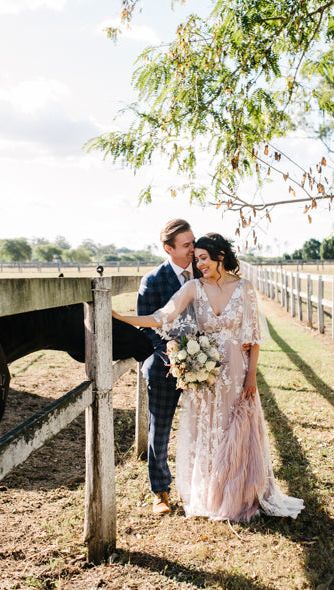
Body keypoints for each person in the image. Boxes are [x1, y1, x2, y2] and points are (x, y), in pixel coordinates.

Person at [113, 233, 304, 522]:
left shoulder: (245, 288)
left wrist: (251, 376)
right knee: (208, 431)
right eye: (196, 258)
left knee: (235, 429)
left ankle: (239, 494)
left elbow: (253, 337)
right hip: (206, 372)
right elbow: (162, 316)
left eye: (203, 258)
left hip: (237, 370)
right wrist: (121, 317)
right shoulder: (193, 287)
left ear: (221, 257)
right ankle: (212, 494)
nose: (198, 263)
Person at [133, 219, 195, 515]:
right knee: (160, 428)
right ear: (169, 249)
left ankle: (206, 485)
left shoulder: (205, 271)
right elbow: (145, 327)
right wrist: (170, 352)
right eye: (186, 245)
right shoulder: (153, 280)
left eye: (193, 242)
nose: (194, 249)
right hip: (165, 364)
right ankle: (160, 491)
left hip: (207, 363)